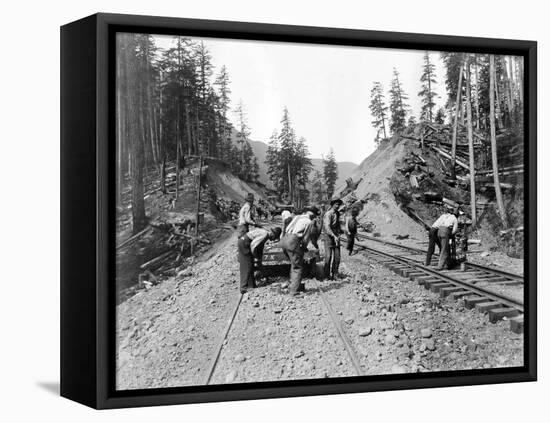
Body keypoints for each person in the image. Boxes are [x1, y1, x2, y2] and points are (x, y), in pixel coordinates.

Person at [280, 207, 320, 295]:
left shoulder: (298, 217)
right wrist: (304, 248)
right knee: (298, 267)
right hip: (293, 240)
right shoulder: (309, 222)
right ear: (312, 215)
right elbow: (305, 238)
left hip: (284, 239)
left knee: (293, 263)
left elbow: (286, 227)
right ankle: (294, 290)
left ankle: (293, 283)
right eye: (315, 216)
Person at [238, 227, 282, 294]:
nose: (273, 240)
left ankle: (251, 285)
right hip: (244, 243)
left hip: (245, 242)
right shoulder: (265, 234)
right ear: (273, 234)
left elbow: (260, 247)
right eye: (274, 238)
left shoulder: (265, 235)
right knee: (247, 265)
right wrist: (255, 257)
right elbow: (253, 245)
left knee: (251, 265)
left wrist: (259, 258)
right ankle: (243, 287)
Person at [425, 206, 460, 270]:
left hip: (438, 231)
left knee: (443, 247)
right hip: (444, 232)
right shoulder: (454, 218)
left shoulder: (444, 216)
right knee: (444, 249)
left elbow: (440, 224)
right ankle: (440, 266)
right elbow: (454, 230)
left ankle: (448, 263)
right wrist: (450, 234)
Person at [323, 198, 343, 279]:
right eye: (336, 204)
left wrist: (340, 233)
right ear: (333, 205)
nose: (338, 206)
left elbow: (338, 225)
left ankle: (335, 274)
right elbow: (327, 227)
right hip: (328, 236)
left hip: (336, 235)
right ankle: (326, 275)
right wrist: (333, 235)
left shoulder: (337, 213)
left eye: (339, 205)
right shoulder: (328, 214)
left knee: (337, 256)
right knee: (328, 256)